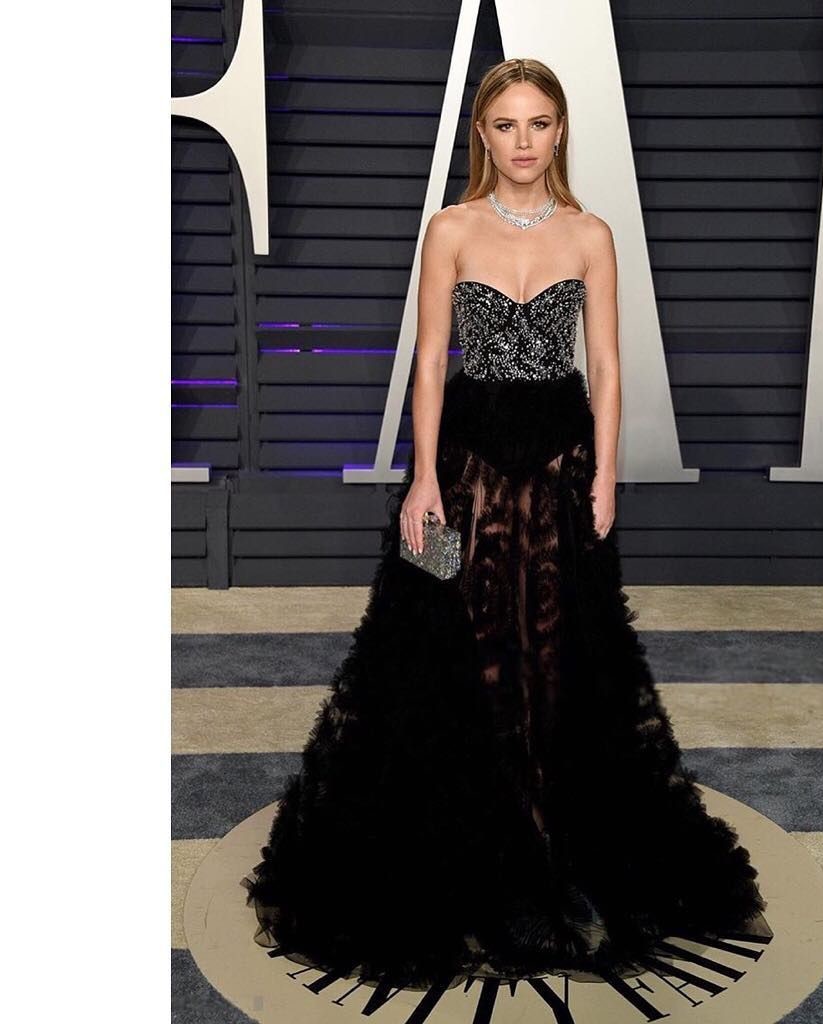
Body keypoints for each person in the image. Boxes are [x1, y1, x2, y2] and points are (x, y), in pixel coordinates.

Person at [241, 56, 765, 990]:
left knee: (561, 656)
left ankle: (555, 837)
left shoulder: (591, 236)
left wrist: (608, 475)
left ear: (560, 131)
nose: (524, 142)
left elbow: (607, 367)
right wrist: (422, 480)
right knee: (458, 653)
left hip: (561, 467)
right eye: (506, 125)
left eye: (540, 123)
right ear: (482, 135)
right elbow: (430, 361)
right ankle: (472, 842)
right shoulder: (450, 229)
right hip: (471, 467)